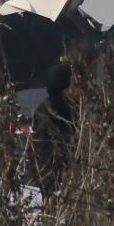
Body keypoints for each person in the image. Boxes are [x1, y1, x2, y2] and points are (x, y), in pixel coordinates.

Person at [27, 60, 79, 198]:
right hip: (55, 171)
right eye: (73, 86)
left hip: (47, 171)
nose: (78, 91)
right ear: (64, 87)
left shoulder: (49, 104)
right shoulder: (60, 109)